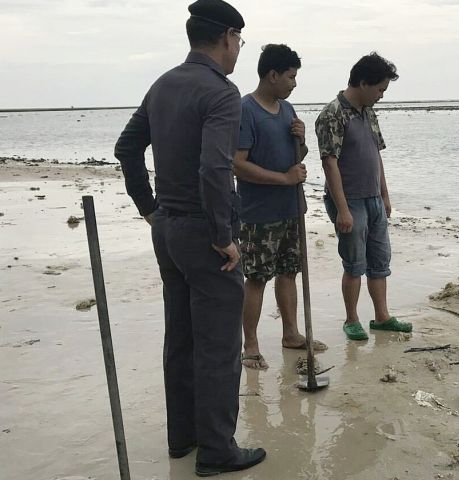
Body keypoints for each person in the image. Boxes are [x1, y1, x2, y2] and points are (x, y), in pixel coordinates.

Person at [114, 0, 266, 475]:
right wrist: (223, 234)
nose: (239, 48)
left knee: (180, 338)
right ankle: (217, 451)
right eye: (239, 40)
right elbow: (215, 167)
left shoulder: (163, 84)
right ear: (226, 38)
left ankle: (182, 437)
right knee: (219, 346)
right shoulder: (220, 92)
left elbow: (126, 148)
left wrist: (150, 210)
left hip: (169, 231)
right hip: (203, 232)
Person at [234, 44, 327, 370]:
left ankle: (291, 334)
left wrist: (301, 142)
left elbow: (294, 160)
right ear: (272, 75)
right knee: (257, 277)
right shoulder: (246, 110)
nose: (294, 83)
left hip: (291, 209)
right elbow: (238, 165)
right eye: (290, 76)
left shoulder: (287, 110)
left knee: (289, 272)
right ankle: (251, 345)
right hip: (259, 214)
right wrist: (284, 179)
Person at [315, 52, 412, 341]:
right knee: (354, 264)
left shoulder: (368, 112)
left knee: (380, 262)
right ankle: (352, 319)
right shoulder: (332, 114)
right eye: (380, 88)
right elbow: (329, 163)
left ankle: (382, 317)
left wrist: (385, 195)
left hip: (373, 200)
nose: (382, 95)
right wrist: (342, 209)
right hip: (349, 201)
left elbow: (376, 156)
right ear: (362, 82)